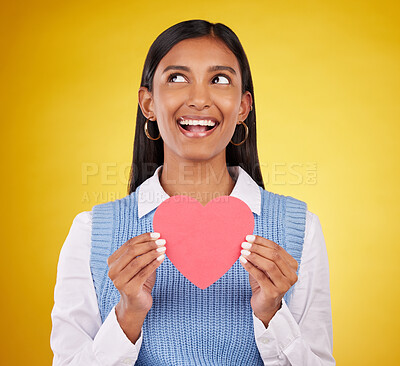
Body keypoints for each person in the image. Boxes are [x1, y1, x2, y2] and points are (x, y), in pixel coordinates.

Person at [50, 19, 335, 365]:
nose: (199, 99)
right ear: (148, 104)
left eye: (219, 80)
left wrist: (272, 315)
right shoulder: (91, 233)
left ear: (243, 107)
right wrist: (127, 317)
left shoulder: (300, 229)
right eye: (177, 78)